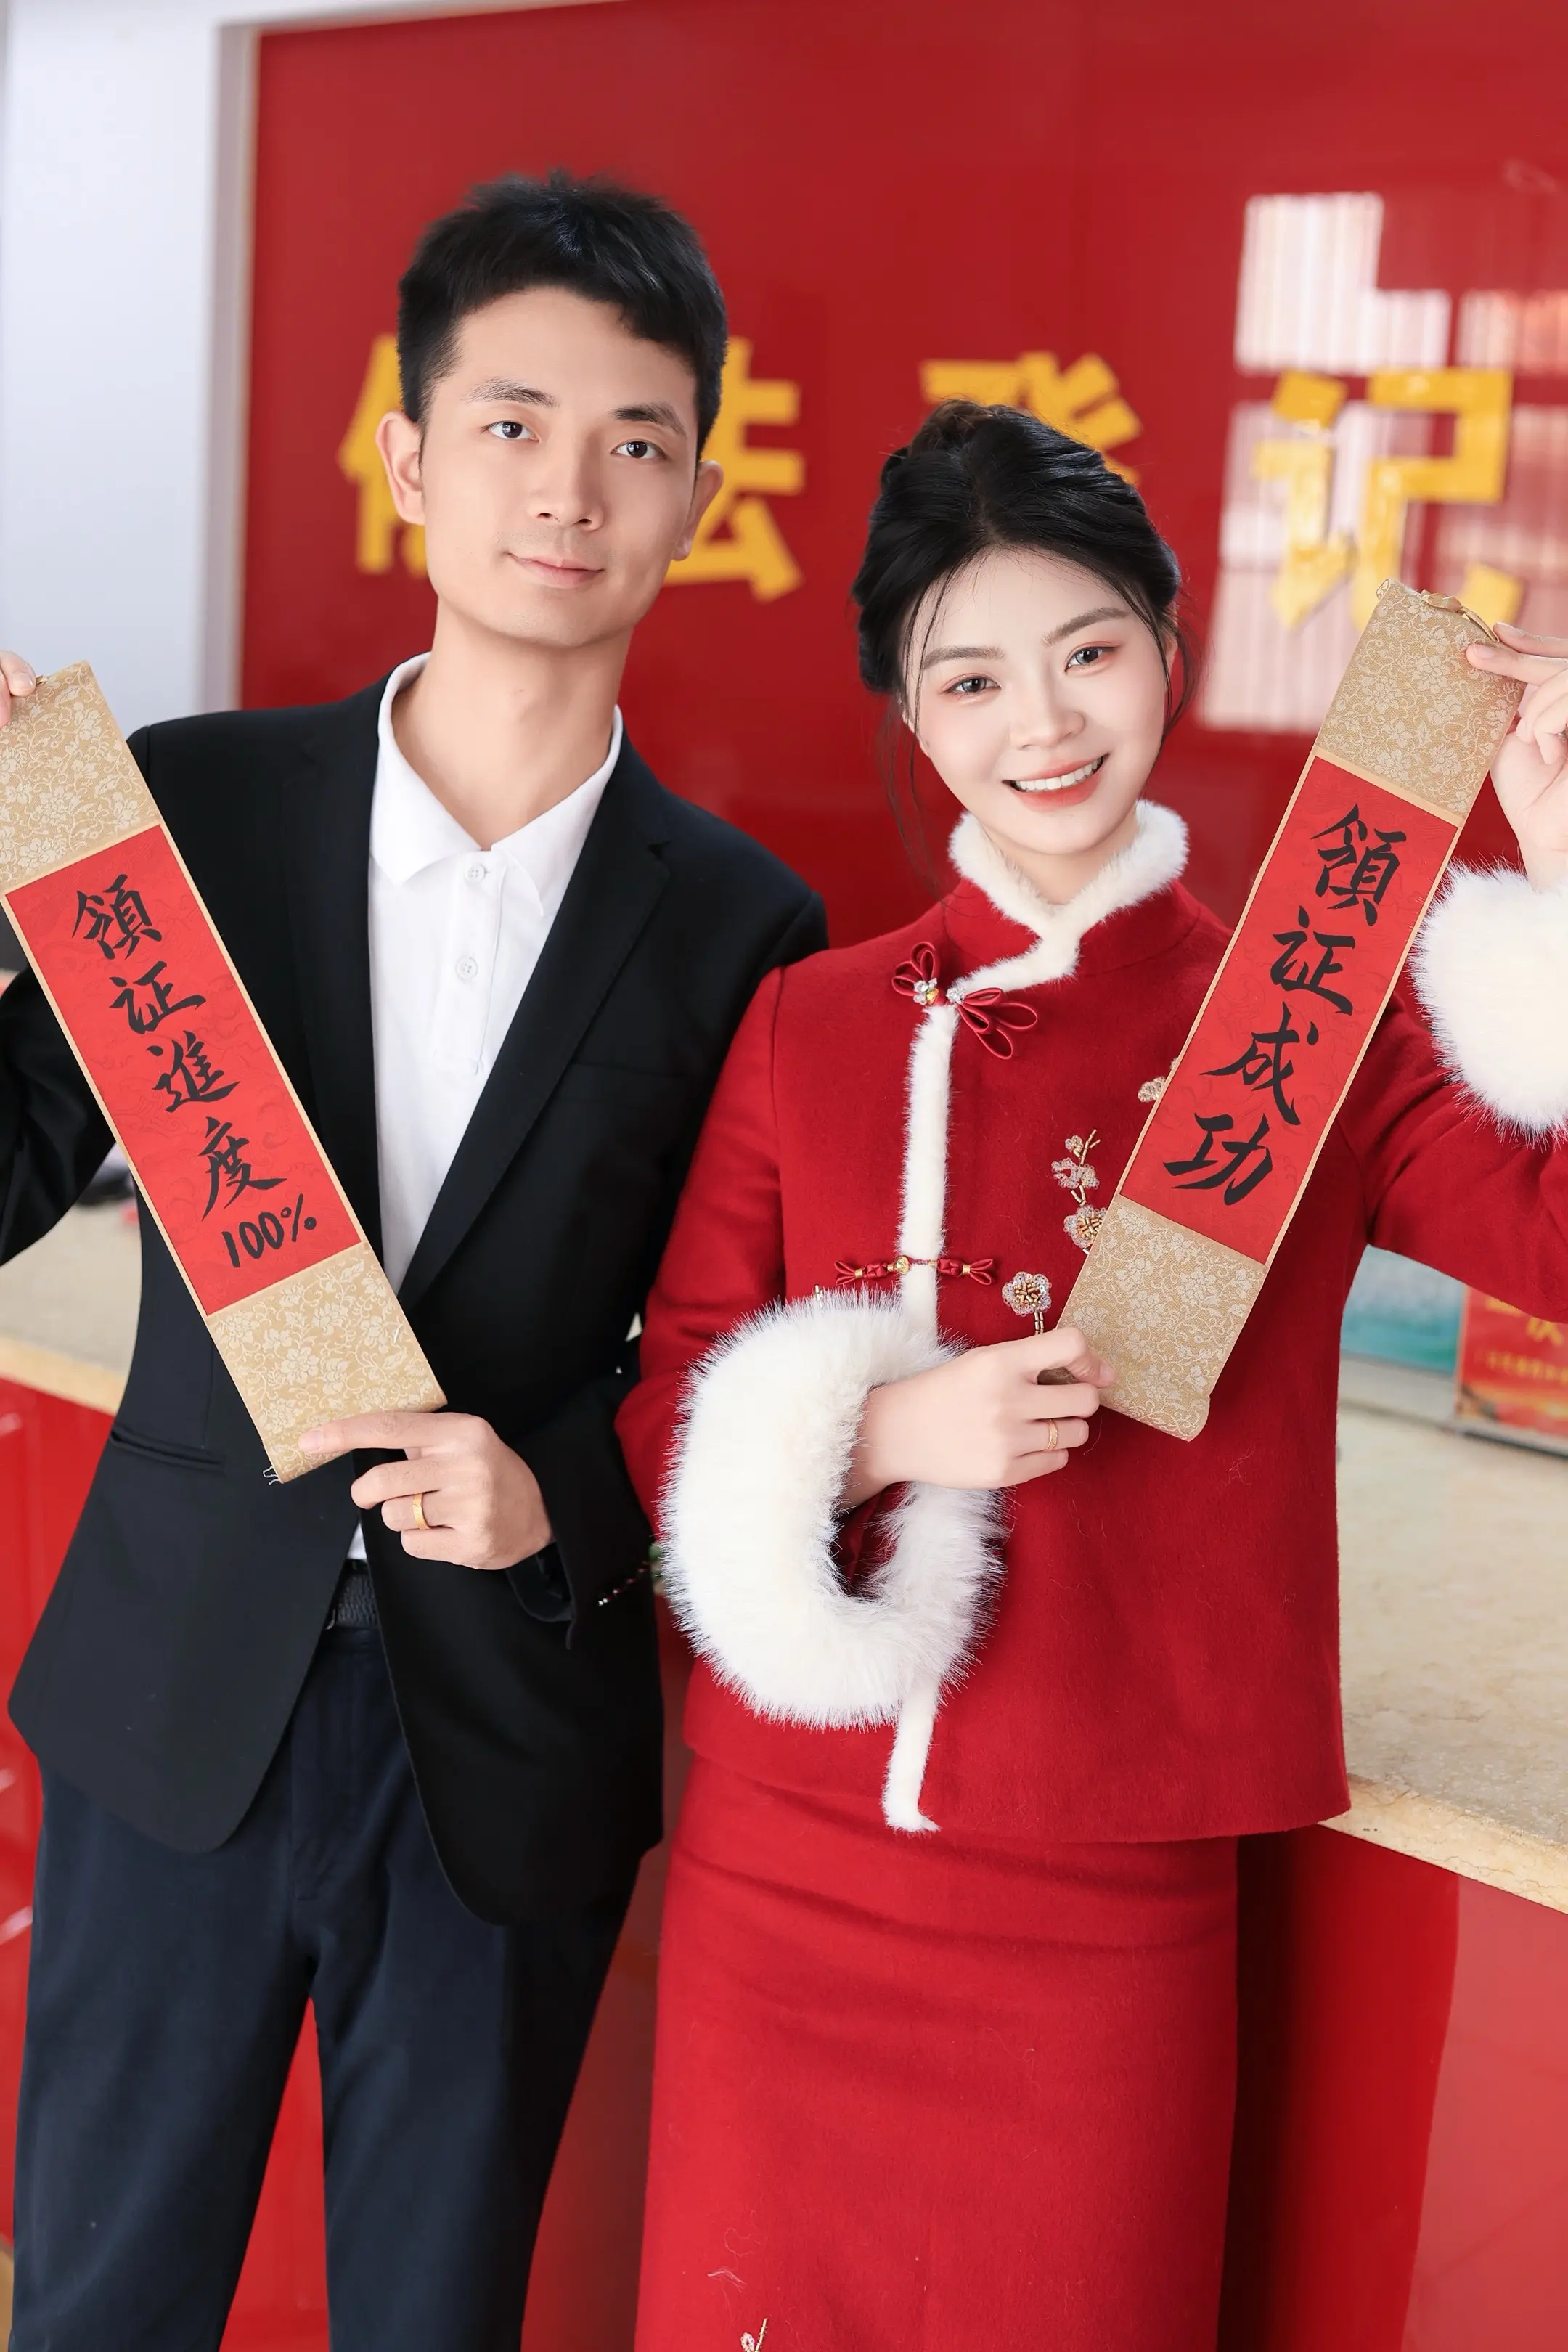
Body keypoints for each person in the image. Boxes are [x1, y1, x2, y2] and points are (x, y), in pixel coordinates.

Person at [615, 401, 1568, 2350]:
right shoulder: (809, 1023)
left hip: (1108, 1881)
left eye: (1088, 652)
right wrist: (883, 1428)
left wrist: (1555, 854)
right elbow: (669, 1405)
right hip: (787, 1866)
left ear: (1169, 652)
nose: (1040, 724)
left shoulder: (1306, 1023)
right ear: (910, 715)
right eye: (969, 679)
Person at [0, 172, 823, 2351]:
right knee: (96, 2305)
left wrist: (560, 1494)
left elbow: (743, 1362)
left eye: (637, 440)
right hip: (178, 1704)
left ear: (697, 499)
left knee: (433, 2319)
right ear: (408, 457)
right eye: (512, 423)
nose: (570, 488)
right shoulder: (184, 815)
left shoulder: (748, 929)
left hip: (504, 1738)